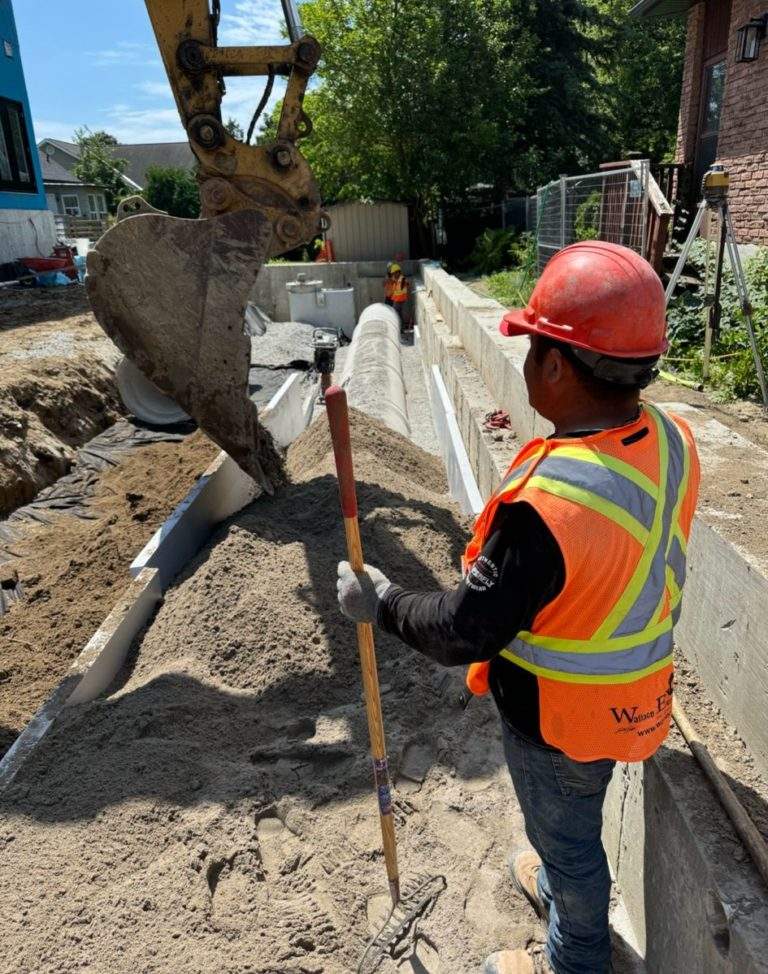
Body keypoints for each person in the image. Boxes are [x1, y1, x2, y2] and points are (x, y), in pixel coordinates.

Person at [336, 241, 700, 974]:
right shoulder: (667, 438)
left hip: (560, 721)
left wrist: (380, 600)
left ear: (559, 366)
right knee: (568, 828)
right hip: (631, 700)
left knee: (570, 847)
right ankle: (564, 883)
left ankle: (575, 951)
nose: (528, 361)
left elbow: (462, 630)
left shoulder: (550, 510)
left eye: (534, 348)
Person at [384, 261, 410, 331]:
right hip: (396, 299)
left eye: (394, 273)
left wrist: (396, 282)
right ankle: (401, 329)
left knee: (394, 314)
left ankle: (396, 329)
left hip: (399, 300)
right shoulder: (396, 278)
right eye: (392, 274)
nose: (393, 275)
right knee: (399, 314)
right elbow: (387, 283)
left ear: (398, 272)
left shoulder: (401, 279)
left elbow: (404, 285)